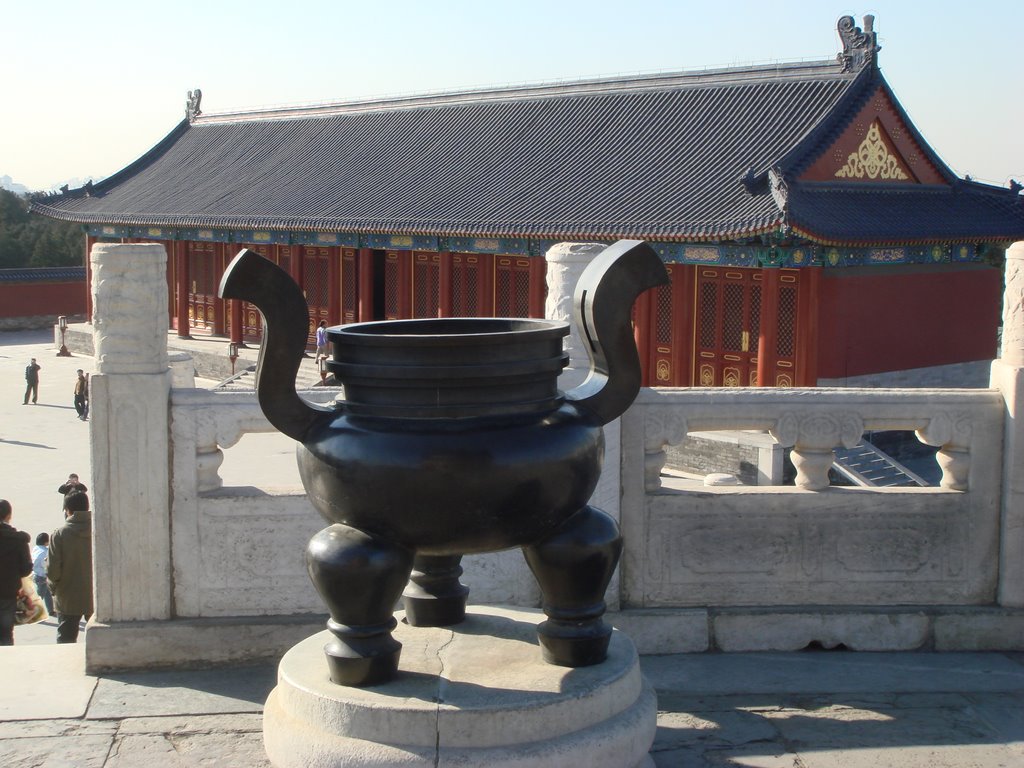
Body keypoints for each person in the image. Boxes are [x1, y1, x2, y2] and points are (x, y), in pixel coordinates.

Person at [46, 490, 93, 644]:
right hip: (97, 595)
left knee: (66, 639)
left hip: (68, 596)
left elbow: (53, 571)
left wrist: (53, 588)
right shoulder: (100, 529)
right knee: (101, 637)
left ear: (68, 510)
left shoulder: (60, 535)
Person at [0, 499, 32, 645]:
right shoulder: (18, 540)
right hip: (8, 593)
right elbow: (26, 569)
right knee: (6, 634)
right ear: (8, 516)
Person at [31, 532, 53, 616]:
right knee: (40, 596)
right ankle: (35, 614)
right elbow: (46, 566)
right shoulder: (45, 552)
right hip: (42, 576)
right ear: (45, 542)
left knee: (47, 593)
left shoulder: (35, 548)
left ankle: (50, 610)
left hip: (36, 574)